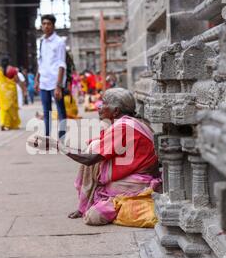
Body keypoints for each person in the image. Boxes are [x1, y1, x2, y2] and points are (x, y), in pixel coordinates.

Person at [30, 88, 161, 226]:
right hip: (139, 176)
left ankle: (95, 204)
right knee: (95, 147)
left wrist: (57, 146)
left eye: (103, 103)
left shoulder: (123, 127)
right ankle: (88, 203)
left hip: (138, 182)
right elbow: (91, 153)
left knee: (94, 216)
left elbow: (90, 159)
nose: (99, 106)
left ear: (115, 111)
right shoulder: (132, 123)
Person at [35, 14, 67, 140]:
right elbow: (41, 62)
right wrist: (37, 79)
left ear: (53, 26)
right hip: (44, 82)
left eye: (49, 24)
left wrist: (58, 86)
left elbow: (61, 64)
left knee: (60, 110)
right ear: (41, 26)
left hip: (55, 82)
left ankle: (63, 137)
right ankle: (47, 137)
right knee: (46, 111)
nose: (46, 26)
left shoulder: (59, 42)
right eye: (44, 24)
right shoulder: (42, 41)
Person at [0, 57, 21, 131]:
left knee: (3, 108)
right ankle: (12, 124)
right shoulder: (12, 70)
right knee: (12, 108)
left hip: (2, 93)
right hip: (11, 92)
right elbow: (16, 80)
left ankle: (3, 123)